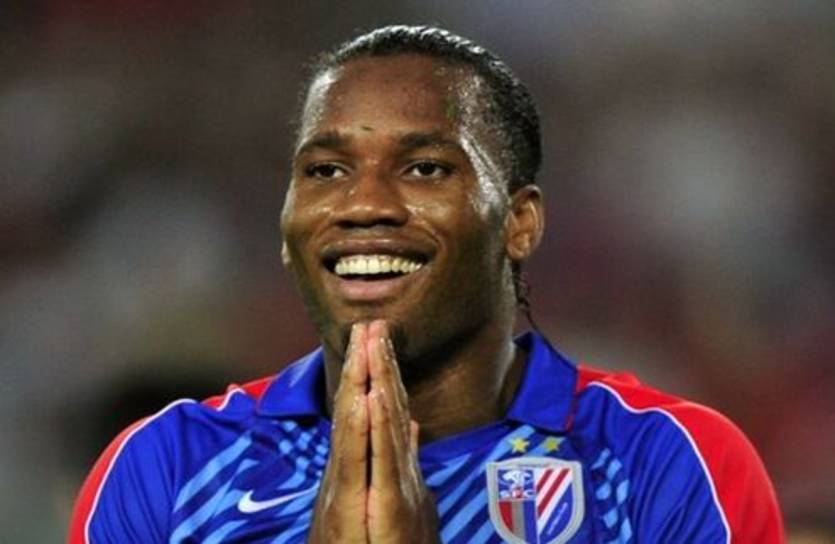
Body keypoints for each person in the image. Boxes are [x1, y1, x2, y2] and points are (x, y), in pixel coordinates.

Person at [69, 25, 784, 543]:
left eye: (425, 168)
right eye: (325, 171)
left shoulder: (663, 462)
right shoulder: (166, 468)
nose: (362, 205)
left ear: (519, 223)